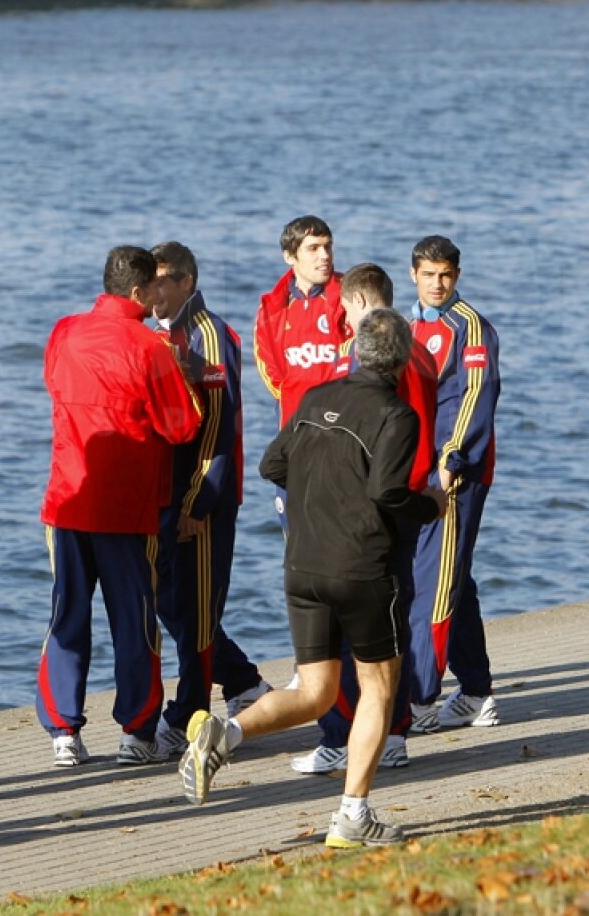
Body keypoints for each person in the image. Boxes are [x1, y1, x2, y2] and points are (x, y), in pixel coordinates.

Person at [178, 308, 446, 849]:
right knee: (380, 688)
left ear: (353, 351)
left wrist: (321, 492)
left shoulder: (314, 397)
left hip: (303, 565)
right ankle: (352, 815)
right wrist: (433, 505)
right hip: (362, 569)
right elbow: (389, 495)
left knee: (317, 691)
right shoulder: (397, 414)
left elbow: (272, 467)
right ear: (402, 361)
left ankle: (223, 733)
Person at [36, 246, 202, 769]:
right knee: (135, 620)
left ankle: (63, 729)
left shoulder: (64, 331)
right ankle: (136, 731)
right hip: (127, 506)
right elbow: (182, 425)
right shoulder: (148, 346)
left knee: (68, 613)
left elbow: (53, 385)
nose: (160, 294)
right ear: (138, 293)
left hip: (68, 495)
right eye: (154, 286)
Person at [291, 262, 437, 776]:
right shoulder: (416, 352)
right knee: (389, 629)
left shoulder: (383, 365)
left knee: (357, 635)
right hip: (404, 499)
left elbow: (384, 434)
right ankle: (389, 731)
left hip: (376, 507)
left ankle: (350, 733)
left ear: (354, 305)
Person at [147, 241, 270, 758]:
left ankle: (187, 716)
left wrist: (198, 503)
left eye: (165, 280)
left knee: (195, 610)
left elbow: (220, 426)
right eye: (150, 281)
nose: (155, 290)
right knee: (166, 603)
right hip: (165, 496)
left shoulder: (210, 336)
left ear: (188, 282)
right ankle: (242, 681)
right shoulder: (157, 333)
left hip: (204, 500)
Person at [408, 235, 502, 732]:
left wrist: (449, 466)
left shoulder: (472, 329)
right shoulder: (406, 327)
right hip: (415, 473)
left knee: (434, 584)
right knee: (452, 577)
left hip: (454, 477)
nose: (437, 284)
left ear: (457, 276)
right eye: (429, 275)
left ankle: (420, 700)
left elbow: (473, 402)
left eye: (445, 275)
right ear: (414, 276)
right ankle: (476, 690)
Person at [253, 215, 349, 533]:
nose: (324, 255)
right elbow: (270, 372)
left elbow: (358, 364)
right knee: (295, 540)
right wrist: (304, 401)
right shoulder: (271, 307)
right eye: (313, 248)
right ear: (290, 256)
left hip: (344, 438)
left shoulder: (349, 298)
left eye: (327, 247)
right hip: (295, 437)